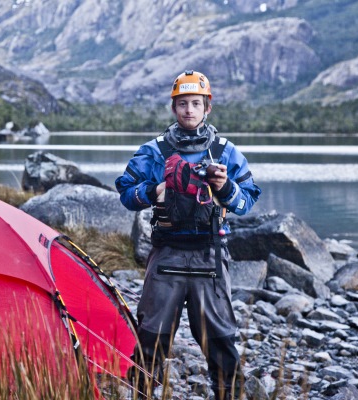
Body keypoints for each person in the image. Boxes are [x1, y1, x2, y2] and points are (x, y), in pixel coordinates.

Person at [115, 70, 261, 399]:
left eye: (196, 103)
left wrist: (225, 188)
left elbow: (247, 201)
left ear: (207, 107)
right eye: (182, 104)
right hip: (167, 252)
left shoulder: (226, 152)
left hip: (210, 254)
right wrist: (157, 189)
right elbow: (125, 194)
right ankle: (139, 393)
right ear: (173, 108)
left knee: (220, 340)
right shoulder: (153, 151)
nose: (189, 110)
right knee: (151, 336)